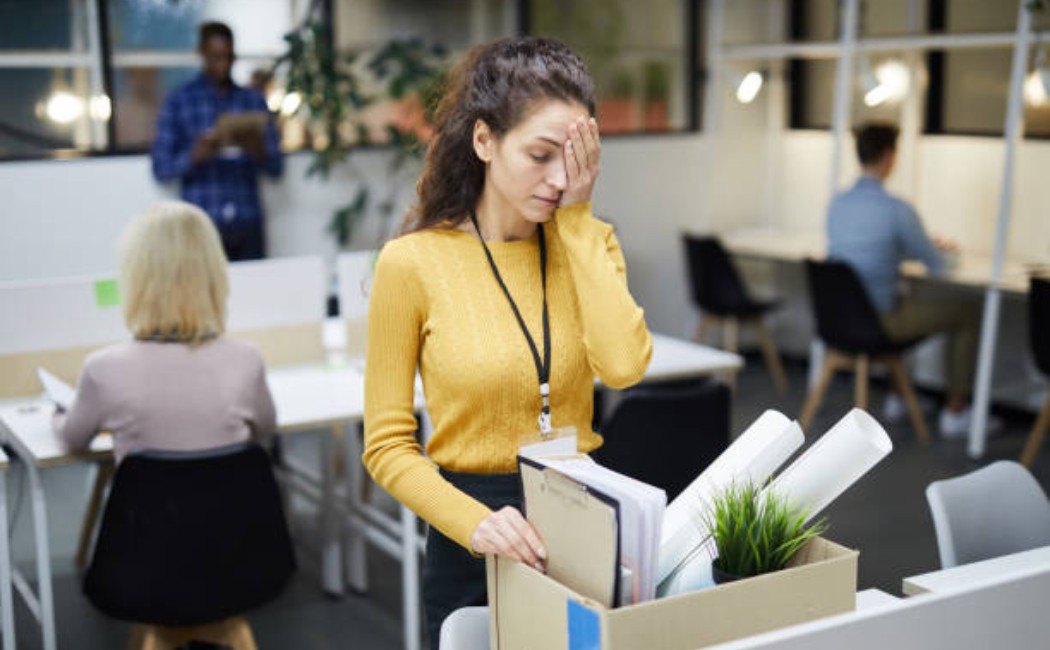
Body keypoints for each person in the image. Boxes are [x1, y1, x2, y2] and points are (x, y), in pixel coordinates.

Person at [362, 37, 653, 648]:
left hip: (581, 514)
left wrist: (576, 218)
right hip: (471, 528)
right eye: (541, 155)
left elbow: (624, 368)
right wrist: (477, 525)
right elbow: (386, 445)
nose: (556, 179)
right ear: (484, 141)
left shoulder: (587, 244)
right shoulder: (412, 263)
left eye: (572, 160)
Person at [54, 201, 276, 462]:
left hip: (143, 504)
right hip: (231, 502)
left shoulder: (103, 369)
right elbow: (265, 428)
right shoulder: (246, 359)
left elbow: (72, 440)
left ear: (136, 278)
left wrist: (57, 416)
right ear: (214, 274)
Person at [826, 121, 984, 438]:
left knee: (907, 299)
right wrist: (947, 251)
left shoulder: (837, 203)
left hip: (839, 320)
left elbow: (863, 254)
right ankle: (956, 412)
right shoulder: (897, 209)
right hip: (878, 321)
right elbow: (938, 265)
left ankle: (901, 397)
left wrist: (902, 252)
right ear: (889, 156)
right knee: (968, 312)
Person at [151, 21, 282, 261]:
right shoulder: (179, 101)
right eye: (215, 56)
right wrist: (195, 155)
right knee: (201, 296)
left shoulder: (252, 101)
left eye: (228, 57)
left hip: (247, 221)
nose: (223, 63)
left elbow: (276, 167)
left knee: (256, 292)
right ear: (201, 54)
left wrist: (257, 149)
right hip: (201, 224)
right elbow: (161, 168)